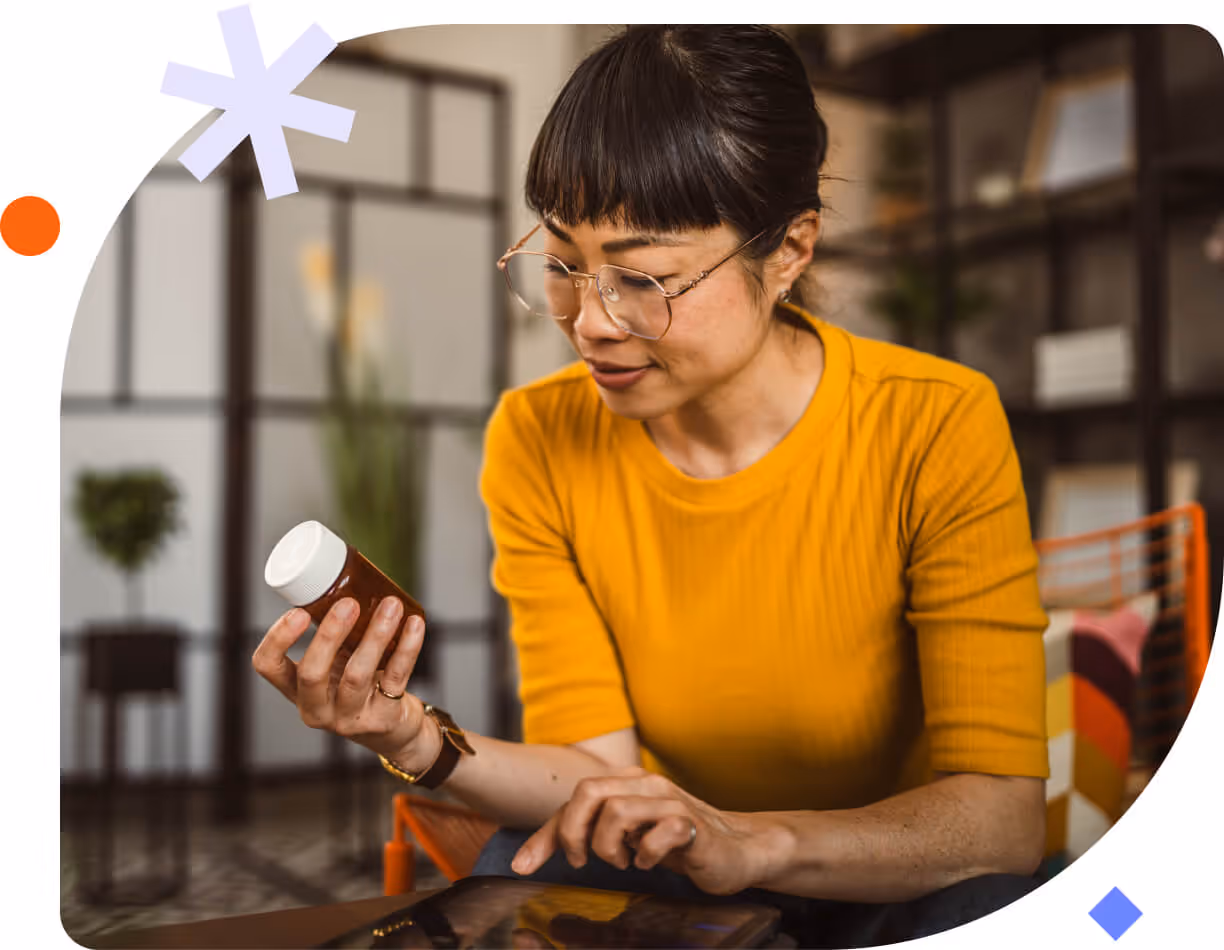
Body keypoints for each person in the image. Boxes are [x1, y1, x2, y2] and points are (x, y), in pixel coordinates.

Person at [253, 25, 1049, 947]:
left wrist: (755, 843)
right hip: (671, 861)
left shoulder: (935, 421)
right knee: (509, 885)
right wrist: (412, 740)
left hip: (892, 876)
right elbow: (594, 773)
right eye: (561, 264)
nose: (589, 322)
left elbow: (1001, 821)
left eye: (643, 277)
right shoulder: (538, 435)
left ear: (789, 249)